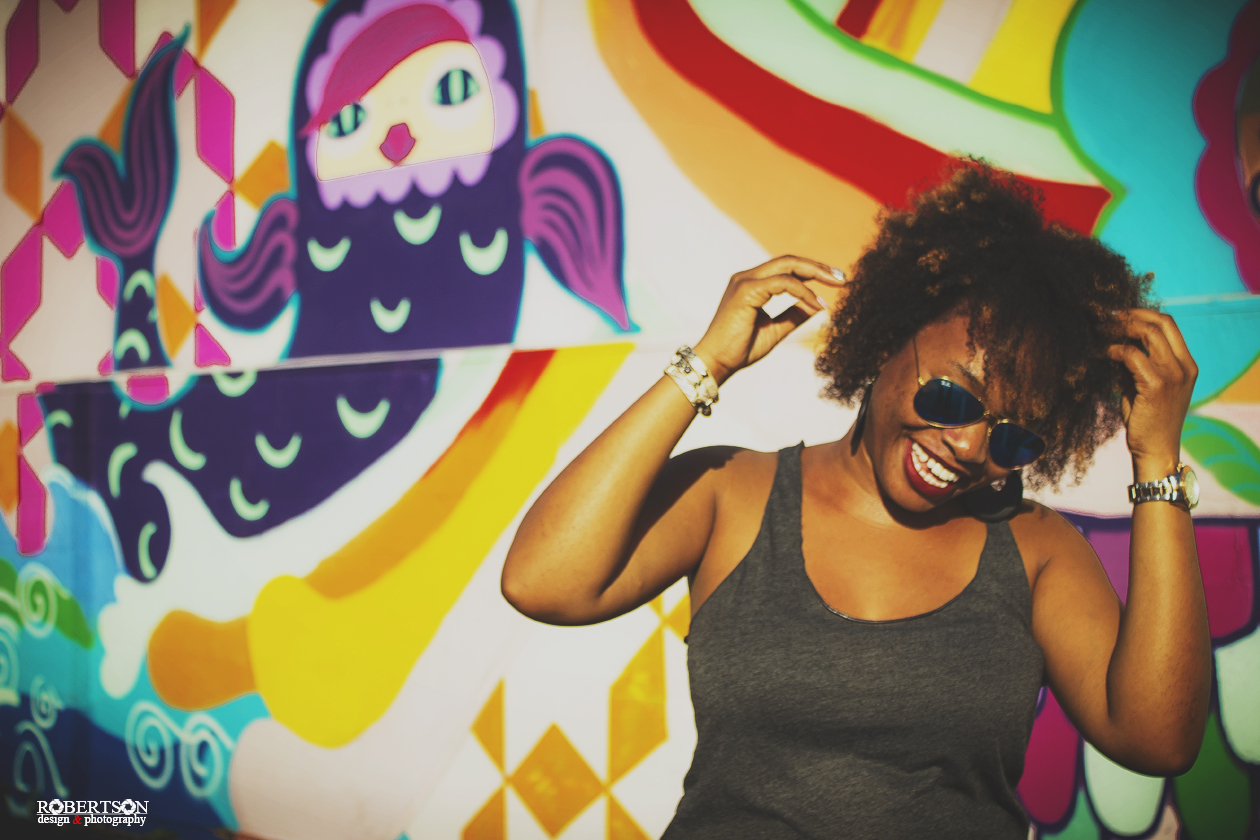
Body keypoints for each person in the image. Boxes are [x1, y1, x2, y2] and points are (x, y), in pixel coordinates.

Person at [501, 163, 1210, 838]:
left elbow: (1158, 738)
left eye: (1012, 436)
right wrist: (707, 364)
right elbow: (543, 581)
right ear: (889, 339)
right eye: (951, 397)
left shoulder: (1035, 548)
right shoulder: (734, 494)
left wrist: (1156, 461)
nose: (969, 446)